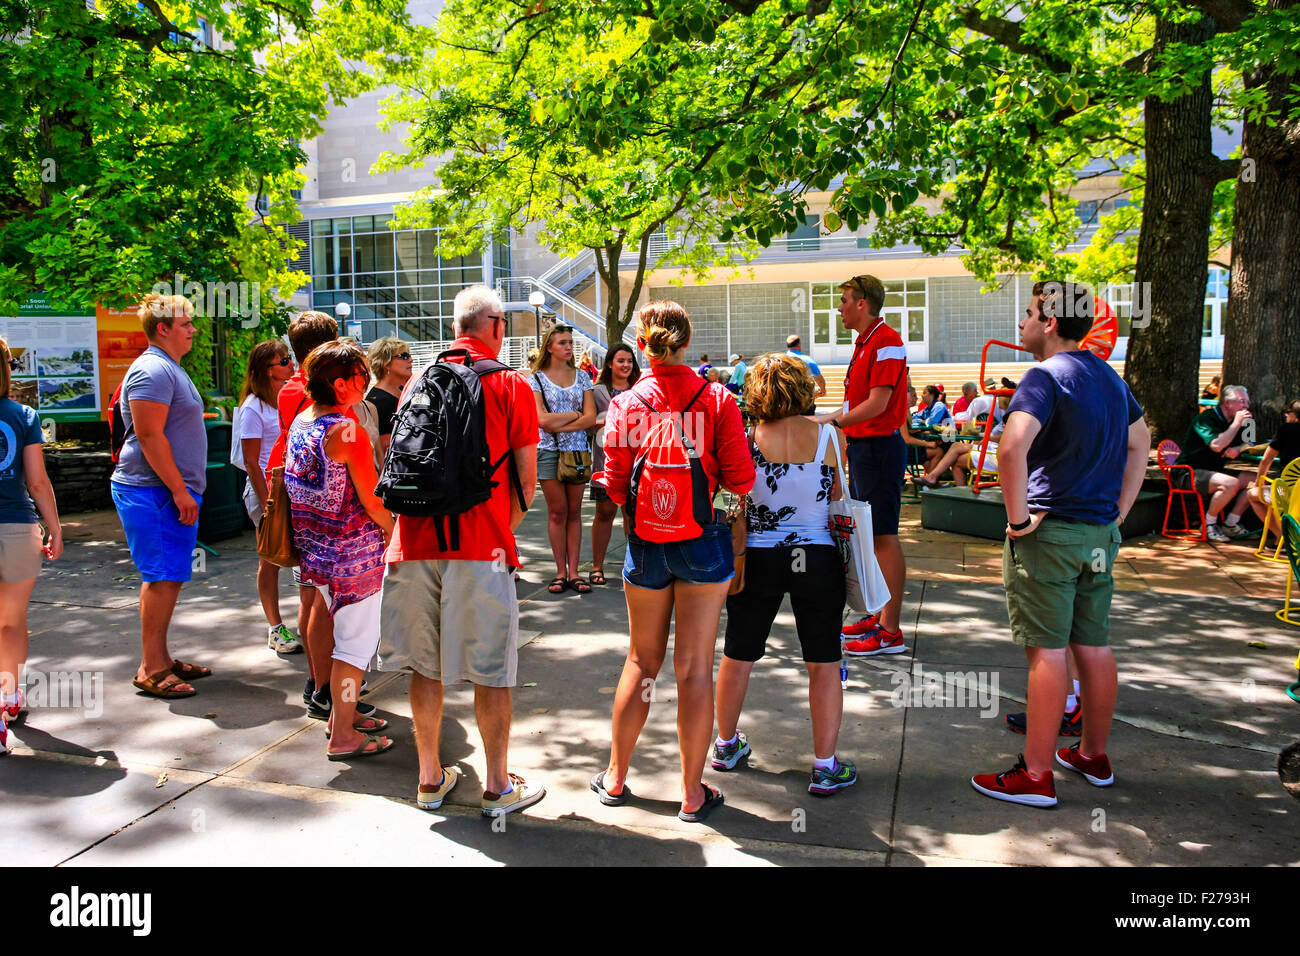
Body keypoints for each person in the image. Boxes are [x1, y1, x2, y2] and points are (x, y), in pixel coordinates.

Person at [971, 281, 1149, 807]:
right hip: (1099, 533)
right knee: (1093, 646)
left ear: (1050, 322)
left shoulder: (1043, 377)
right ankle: (1092, 754)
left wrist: (1018, 519)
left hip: (1050, 533)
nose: (1021, 323)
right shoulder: (1109, 378)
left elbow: (1011, 448)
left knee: (1046, 652)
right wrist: (1119, 510)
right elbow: (1140, 443)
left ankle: (1036, 774)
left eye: (1028, 314)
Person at [378, 285, 545, 816]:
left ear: (456, 327)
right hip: (481, 547)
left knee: (425, 668)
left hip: (412, 542)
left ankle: (430, 779)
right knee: (491, 669)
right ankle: (496, 787)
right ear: (494, 325)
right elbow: (527, 480)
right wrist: (499, 529)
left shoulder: (415, 383)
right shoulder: (512, 385)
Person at [592, 300, 755, 822]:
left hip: (645, 539)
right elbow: (742, 479)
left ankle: (616, 777)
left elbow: (615, 483)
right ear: (686, 341)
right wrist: (711, 503)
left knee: (642, 662)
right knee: (693, 668)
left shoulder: (626, 404)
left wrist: (644, 506)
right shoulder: (719, 399)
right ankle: (690, 791)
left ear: (642, 344)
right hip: (704, 540)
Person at [713, 354, 855, 795]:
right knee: (824, 661)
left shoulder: (745, 438)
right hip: (817, 555)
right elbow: (836, 499)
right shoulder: (832, 436)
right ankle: (825, 765)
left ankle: (725, 744)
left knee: (738, 653)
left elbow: (732, 500)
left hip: (758, 556)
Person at [285, 341, 393, 760]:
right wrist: (396, 533)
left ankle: (339, 715)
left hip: (316, 553)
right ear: (341, 384)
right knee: (354, 648)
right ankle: (343, 734)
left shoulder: (302, 422)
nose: (367, 381)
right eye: (362, 375)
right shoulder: (347, 431)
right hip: (354, 557)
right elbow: (373, 499)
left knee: (341, 640)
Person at [266, 311, 373, 720]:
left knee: (311, 599)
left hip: (305, 514)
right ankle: (332, 696)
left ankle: (319, 686)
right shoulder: (324, 404)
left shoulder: (291, 392)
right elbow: (358, 476)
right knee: (338, 620)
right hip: (339, 527)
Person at [112, 294, 210, 699]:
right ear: (162, 328)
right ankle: (150, 668)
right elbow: (150, 436)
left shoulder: (169, 368)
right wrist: (178, 489)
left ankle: (161, 658)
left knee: (170, 575)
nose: (192, 329)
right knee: (160, 576)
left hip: (168, 492)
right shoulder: (153, 369)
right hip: (153, 492)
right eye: (185, 323)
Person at [816, 276, 909, 656]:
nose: (839, 308)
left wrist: (833, 423)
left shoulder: (885, 341)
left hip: (879, 449)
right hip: (867, 449)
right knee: (873, 538)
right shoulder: (868, 342)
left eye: (844, 301)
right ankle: (882, 616)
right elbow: (857, 408)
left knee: (884, 537)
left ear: (862, 303)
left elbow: (878, 404)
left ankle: (890, 631)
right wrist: (818, 422)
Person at [0, 336, 62, 752]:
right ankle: (8, 697)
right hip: (17, 529)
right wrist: (54, 527)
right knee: (9, 622)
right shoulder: (23, 414)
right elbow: (37, 481)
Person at [234, 339, 301, 655]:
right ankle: (275, 628)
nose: (291, 364)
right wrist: (267, 504)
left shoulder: (287, 398)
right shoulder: (253, 407)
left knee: (298, 558)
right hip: (266, 491)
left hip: (291, 489)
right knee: (271, 558)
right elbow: (250, 461)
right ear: (266, 370)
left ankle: (308, 620)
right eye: (283, 360)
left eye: (289, 358)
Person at [531, 323, 597, 594]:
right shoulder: (534, 379)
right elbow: (541, 421)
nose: (568, 347)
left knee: (574, 513)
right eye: (562, 343)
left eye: (570, 342)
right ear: (549, 347)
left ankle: (574, 572)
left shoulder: (582, 377)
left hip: (577, 451)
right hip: (548, 450)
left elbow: (591, 418)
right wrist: (573, 415)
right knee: (557, 512)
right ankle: (560, 571)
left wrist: (561, 422)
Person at [1174, 385, 1255, 542]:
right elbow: (1217, 446)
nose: (1246, 406)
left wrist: (1238, 449)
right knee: (1231, 483)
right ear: (1227, 403)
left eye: (1247, 402)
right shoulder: (1206, 418)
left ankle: (1231, 524)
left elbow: (1250, 443)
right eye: (1242, 401)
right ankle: (1209, 524)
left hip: (1217, 470)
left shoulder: (1247, 421)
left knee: (1257, 480)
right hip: (1189, 472)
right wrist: (1236, 424)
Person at [589, 343, 640, 587]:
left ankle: (636, 565)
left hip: (637, 464)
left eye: (629, 360)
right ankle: (597, 566)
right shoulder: (596, 391)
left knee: (633, 516)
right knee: (605, 513)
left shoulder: (640, 389)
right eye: (621, 360)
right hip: (606, 463)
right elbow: (588, 423)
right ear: (609, 363)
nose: (626, 365)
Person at [1247, 399, 1300, 527]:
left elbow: (1267, 459)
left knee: (1252, 494)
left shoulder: (1286, 430)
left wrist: (1259, 482)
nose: (1286, 415)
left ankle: (1280, 536)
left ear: (1295, 414)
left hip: (1289, 492)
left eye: (1288, 412)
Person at [364, 337, 413, 459]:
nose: (411, 360)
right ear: (386, 363)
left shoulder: (403, 392)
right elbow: (384, 446)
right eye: (405, 356)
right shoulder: (378, 401)